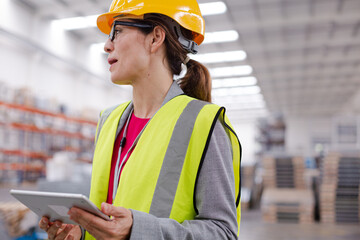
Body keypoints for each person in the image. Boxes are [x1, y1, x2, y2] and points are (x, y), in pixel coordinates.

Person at [39, 0, 241, 239]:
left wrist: (137, 230)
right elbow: (110, 215)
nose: (106, 45)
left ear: (155, 38)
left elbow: (223, 232)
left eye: (118, 31)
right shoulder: (109, 120)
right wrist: (82, 232)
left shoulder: (204, 123)